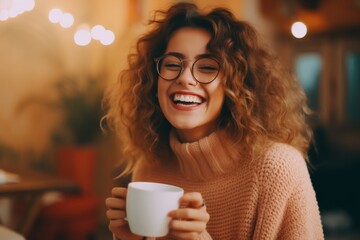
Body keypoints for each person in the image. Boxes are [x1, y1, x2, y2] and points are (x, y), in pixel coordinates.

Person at [104, 2, 324, 240]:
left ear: (237, 84)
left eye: (207, 67)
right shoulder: (149, 168)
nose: (185, 78)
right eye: (171, 64)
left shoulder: (278, 169)